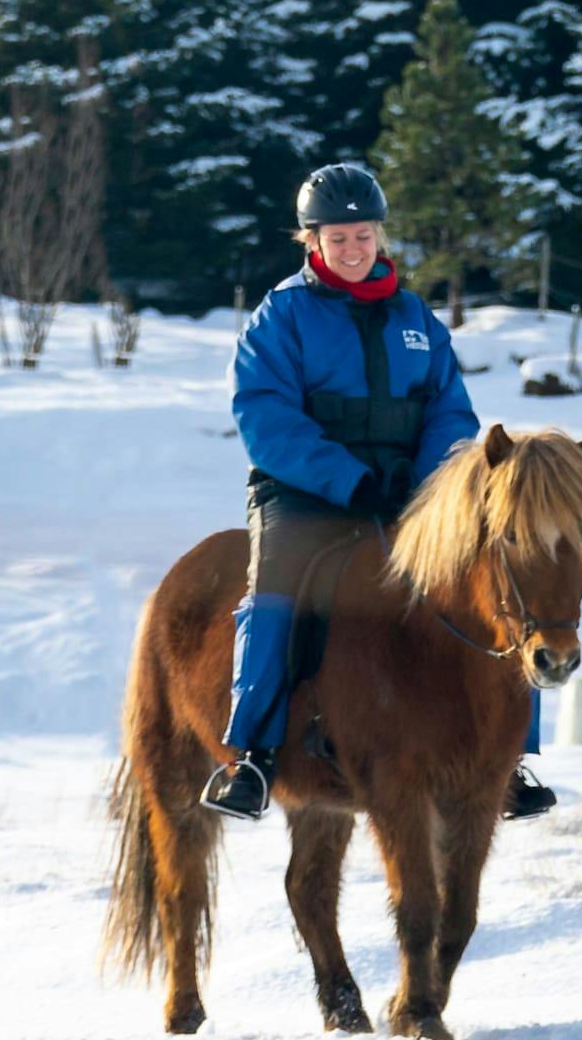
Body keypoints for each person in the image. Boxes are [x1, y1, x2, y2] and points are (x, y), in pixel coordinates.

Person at [205, 161, 550, 824]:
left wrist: (425, 486)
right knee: (274, 602)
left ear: (380, 235)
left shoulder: (416, 316)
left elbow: (451, 409)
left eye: (363, 235)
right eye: (338, 238)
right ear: (312, 243)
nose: (354, 249)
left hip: (410, 497)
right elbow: (265, 416)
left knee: (506, 579)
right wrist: (349, 478)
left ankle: (514, 759)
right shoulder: (282, 315)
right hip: (304, 494)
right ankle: (251, 754)